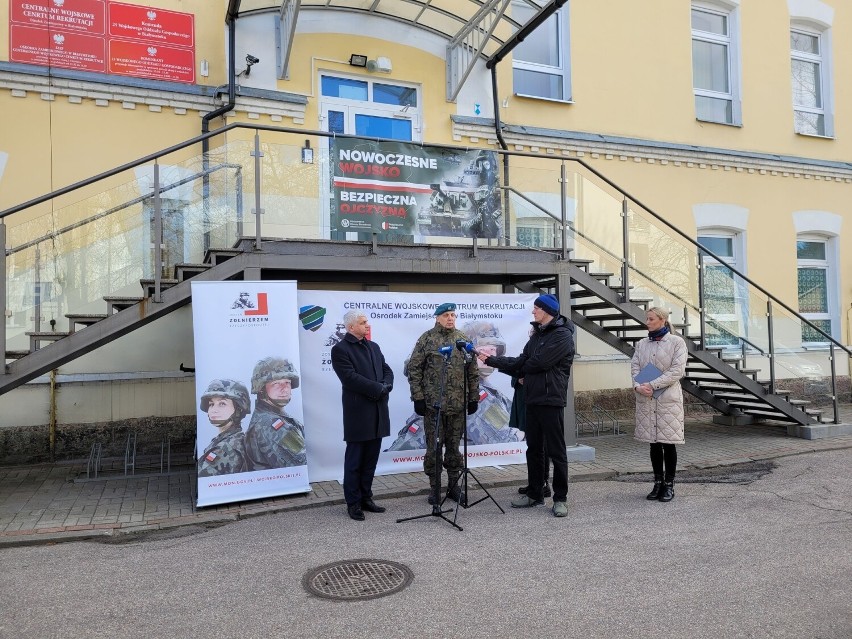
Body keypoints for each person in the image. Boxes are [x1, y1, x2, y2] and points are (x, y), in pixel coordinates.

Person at [479, 294, 575, 518]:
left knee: (556, 451)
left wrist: (520, 367)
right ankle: (535, 493)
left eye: (536, 309)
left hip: (550, 400)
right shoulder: (537, 336)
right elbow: (522, 361)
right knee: (534, 449)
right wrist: (491, 360)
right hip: (531, 399)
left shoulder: (562, 335)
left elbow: (538, 363)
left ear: (547, 311)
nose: (533, 312)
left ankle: (560, 498)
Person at [408, 302, 479, 504]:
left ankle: (454, 487)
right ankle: (435, 488)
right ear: (437, 317)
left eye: (453, 315)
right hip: (434, 407)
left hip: (457, 406)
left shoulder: (463, 340)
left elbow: (472, 371)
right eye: (446, 315)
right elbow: (414, 370)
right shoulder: (427, 339)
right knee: (434, 449)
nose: (450, 318)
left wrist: (473, 397)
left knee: (454, 448)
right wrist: (418, 398)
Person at [331, 310, 394, 521]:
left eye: (366, 322)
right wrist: (378, 388)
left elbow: (386, 369)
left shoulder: (373, 346)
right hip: (359, 413)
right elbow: (349, 378)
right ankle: (353, 503)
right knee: (355, 462)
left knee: (370, 461)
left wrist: (387, 384)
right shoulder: (340, 349)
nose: (368, 325)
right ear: (351, 327)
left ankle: (367, 498)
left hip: (378, 412)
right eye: (363, 322)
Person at [631, 306, 688, 503]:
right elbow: (635, 367)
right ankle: (657, 482)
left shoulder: (676, 342)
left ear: (662, 320)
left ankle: (669, 484)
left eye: (651, 319)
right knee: (653, 443)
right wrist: (638, 386)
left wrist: (652, 384)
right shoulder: (641, 344)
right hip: (647, 399)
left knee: (668, 443)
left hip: (667, 400)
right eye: (647, 319)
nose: (647, 322)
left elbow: (677, 371)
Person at [244, 356, 307, 470]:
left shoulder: (272, 415)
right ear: (261, 388)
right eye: (276, 383)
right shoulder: (271, 424)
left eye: (287, 382)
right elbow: (303, 463)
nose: (285, 388)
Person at [197, 379, 252, 477]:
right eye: (211, 404)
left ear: (238, 410)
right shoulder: (233, 438)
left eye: (222, 404)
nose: (214, 410)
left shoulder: (225, 449)